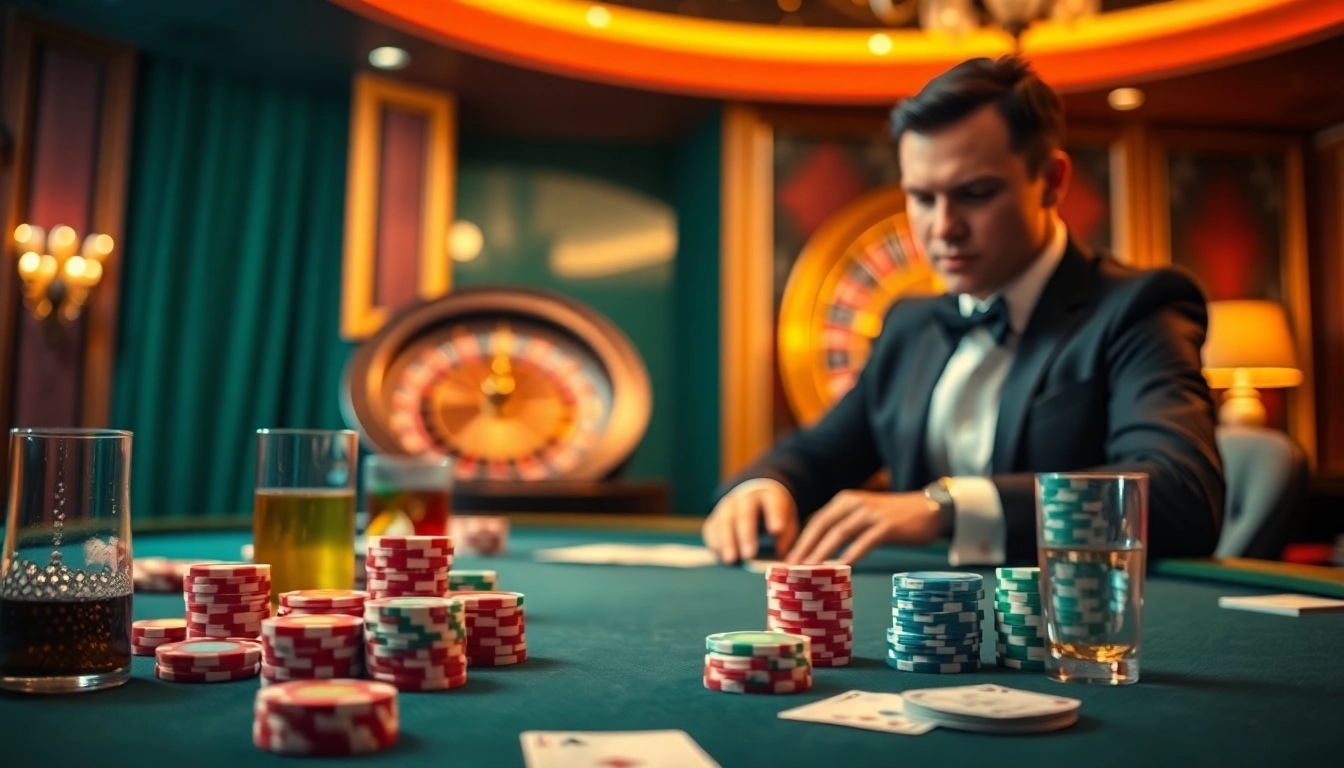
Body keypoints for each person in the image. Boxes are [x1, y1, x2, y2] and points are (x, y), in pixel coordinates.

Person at [702, 55, 1225, 567]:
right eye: (922, 198)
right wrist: (763, 487)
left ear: (1051, 180)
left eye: (975, 193)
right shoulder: (908, 325)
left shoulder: (1138, 307)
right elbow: (818, 454)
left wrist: (948, 508)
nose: (944, 227)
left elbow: (1183, 494)